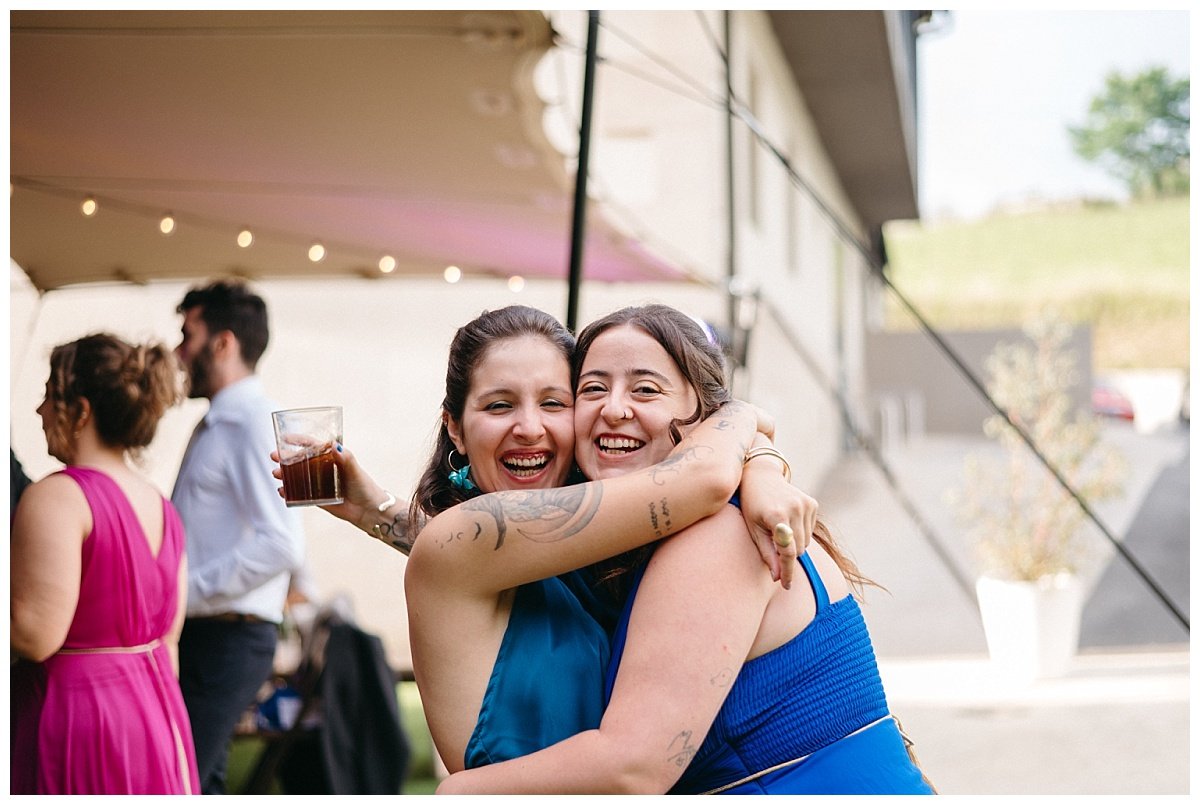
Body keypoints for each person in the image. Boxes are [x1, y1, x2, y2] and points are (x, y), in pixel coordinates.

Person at [289, 305, 816, 775]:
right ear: (455, 428)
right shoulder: (462, 541)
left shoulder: (587, 553)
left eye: (554, 403)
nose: (528, 428)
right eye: (498, 406)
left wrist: (379, 512)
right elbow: (702, 480)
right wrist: (746, 423)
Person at [435, 304, 936, 794]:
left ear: (704, 420)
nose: (614, 408)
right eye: (591, 389)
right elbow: (465, 559)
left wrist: (458, 793)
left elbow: (632, 769)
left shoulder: (719, 535)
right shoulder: (642, 545)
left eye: (646, 389)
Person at [10, 332, 200, 794]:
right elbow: (168, 638)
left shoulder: (57, 497)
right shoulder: (161, 506)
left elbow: (35, 636)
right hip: (154, 713)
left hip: (77, 719)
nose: (39, 413)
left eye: (48, 398)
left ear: (81, 411)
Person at [172, 279, 305, 794]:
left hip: (229, 636)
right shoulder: (219, 422)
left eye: (188, 335)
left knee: (181, 781)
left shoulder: (250, 422)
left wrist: (183, 592)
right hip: (210, 633)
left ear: (222, 343)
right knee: (201, 782)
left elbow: (281, 543)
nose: (179, 351)